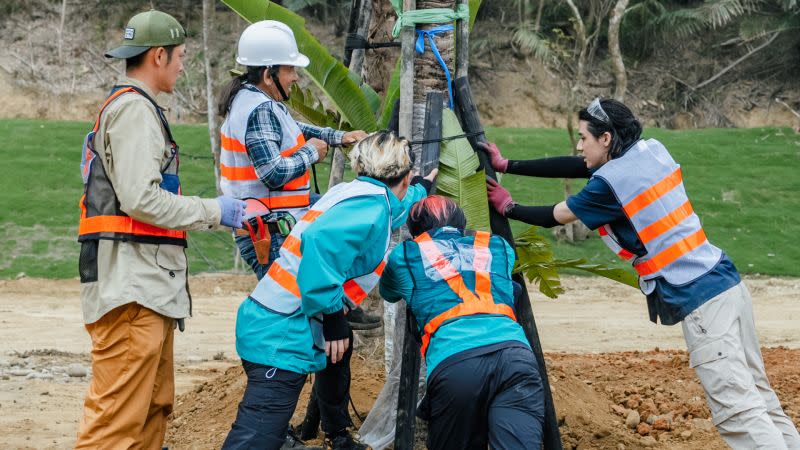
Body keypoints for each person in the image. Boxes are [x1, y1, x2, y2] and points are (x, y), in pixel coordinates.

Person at [483, 98, 800, 450]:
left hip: (701, 301)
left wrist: (508, 206)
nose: (578, 145)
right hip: (727, 284)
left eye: (584, 137)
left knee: (738, 413)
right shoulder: (651, 151)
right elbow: (580, 166)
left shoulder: (609, 186)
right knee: (760, 397)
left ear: (605, 139)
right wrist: (507, 164)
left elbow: (553, 215)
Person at [75, 10, 246, 449]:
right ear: (158, 55)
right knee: (115, 427)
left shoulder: (133, 109)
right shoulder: (134, 110)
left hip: (146, 289)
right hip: (132, 289)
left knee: (152, 413)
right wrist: (216, 210)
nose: (184, 64)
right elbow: (140, 199)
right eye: (181, 55)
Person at [221, 131, 436, 450]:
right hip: (282, 330)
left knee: (263, 433)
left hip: (276, 322)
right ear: (402, 178)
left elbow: (396, 207)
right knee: (257, 439)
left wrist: (421, 189)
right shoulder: (371, 206)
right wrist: (335, 318)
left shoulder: (359, 194)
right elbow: (320, 244)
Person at [378, 195, 544, 450]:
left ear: (415, 230)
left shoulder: (406, 254)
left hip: (456, 363)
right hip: (516, 357)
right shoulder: (498, 245)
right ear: (461, 222)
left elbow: (388, 293)